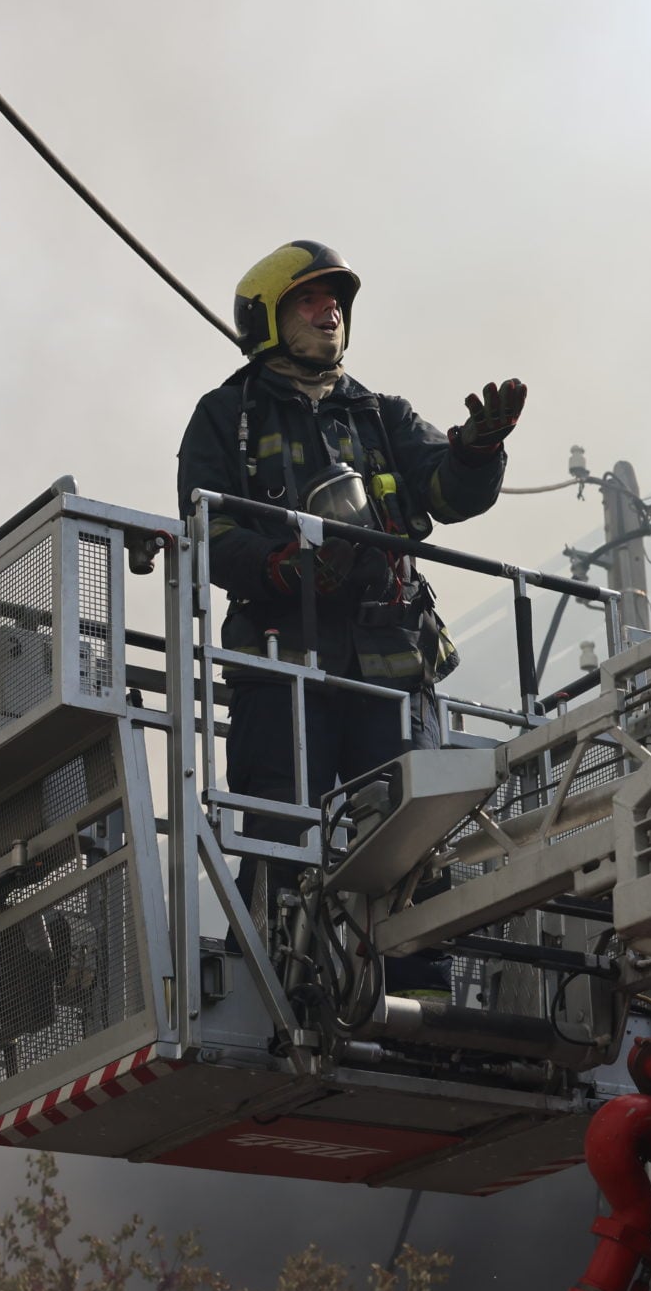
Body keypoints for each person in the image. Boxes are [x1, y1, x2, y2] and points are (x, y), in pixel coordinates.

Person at [175, 239, 527, 912]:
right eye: (309, 298)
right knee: (284, 830)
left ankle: (414, 994)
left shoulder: (381, 415)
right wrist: (281, 565)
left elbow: (448, 496)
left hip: (393, 663)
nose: (329, 310)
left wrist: (479, 452)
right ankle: (285, 985)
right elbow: (207, 532)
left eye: (336, 300)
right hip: (282, 664)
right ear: (268, 317)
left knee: (412, 838)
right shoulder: (227, 418)